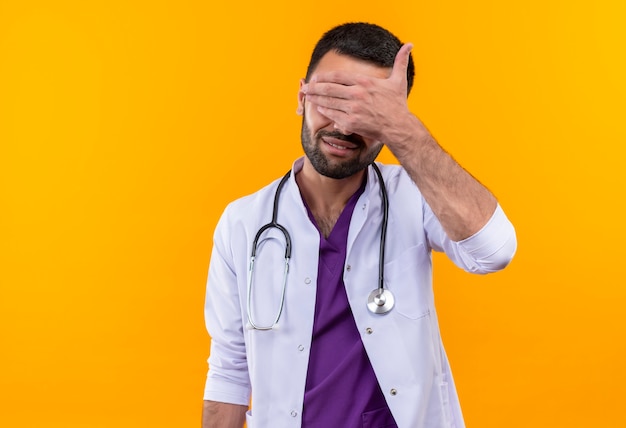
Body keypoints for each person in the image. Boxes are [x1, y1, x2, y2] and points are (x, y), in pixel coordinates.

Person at [202, 22, 517, 428]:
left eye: (367, 110)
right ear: (301, 97)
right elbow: (229, 370)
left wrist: (402, 130)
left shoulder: (416, 196)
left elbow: (494, 251)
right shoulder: (243, 222)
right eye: (333, 100)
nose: (345, 127)